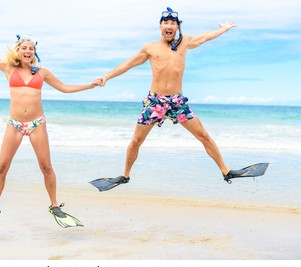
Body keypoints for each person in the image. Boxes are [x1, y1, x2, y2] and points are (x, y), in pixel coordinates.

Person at [0, 22, 99, 227]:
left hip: (37, 124)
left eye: (31, 48)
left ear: (35, 52)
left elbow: (64, 88)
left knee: (46, 166)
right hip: (15, 124)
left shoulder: (42, 73)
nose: (28, 51)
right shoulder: (8, 68)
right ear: (17, 51)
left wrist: (90, 85)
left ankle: (54, 205)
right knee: (1, 167)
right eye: (24, 48)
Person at [91, 7, 246, 191]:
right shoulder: (150, 48)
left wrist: (223, 29)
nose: (169, 26)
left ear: (177, 27)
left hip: (177, 102)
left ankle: (225, 170)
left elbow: (205, 37)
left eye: (173, 23)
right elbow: (128, 64)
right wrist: (106, 77)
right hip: (155, 102)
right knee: (136, 141)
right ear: (160, 26)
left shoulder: (185, 42)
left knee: (203, 135)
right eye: (166, 23)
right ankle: (124, 175)